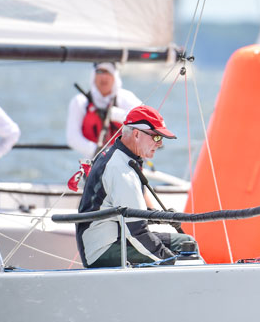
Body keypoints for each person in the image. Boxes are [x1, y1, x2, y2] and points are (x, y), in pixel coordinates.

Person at [76, 104, 195, 268]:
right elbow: (137, 232)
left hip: (115, 240)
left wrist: (161, 217)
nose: (160, 144)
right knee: (181, 254)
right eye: (156, 137)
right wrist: (170, 262)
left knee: (187, 243)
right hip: (102, 251)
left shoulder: (121, 157)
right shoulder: (121, 170)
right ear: (137, 134)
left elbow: (133, 218)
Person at [66, 62, 141, 160]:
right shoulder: (80, 102)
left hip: (126, 160)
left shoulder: (126, 98)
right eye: (99, 72)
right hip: (93, 162)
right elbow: (72, 138)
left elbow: (145, 123)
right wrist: (101, 152)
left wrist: (114, 114)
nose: (103, 77)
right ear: (93, 75)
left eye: (108, 72)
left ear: (114, 76)